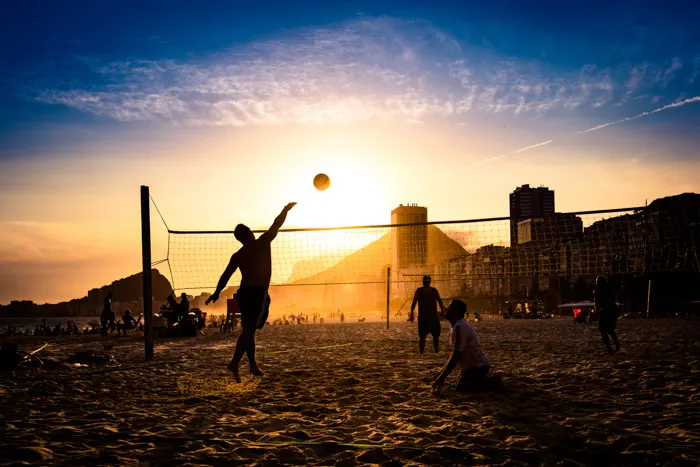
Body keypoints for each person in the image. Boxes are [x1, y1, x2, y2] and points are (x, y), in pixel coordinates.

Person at [206, 202, 296, 382]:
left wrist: (216, 293)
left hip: (244, 294)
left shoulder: (239, 254)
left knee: (249, 331)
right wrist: (285, 210)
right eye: (248, 230)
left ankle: (253, 365)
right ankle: (234, 362)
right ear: (247, 234)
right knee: (248, 332)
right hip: (257, 294)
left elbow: (225, 276)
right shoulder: (262, 242)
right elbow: (276, 225)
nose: (251, 232)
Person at [432, 299, 494, 395]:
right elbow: (453, 354)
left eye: (450, 308)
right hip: (470, 367)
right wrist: (441, 373)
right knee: (461, 386)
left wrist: (442, 377)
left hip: (478, 366)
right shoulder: (456, 326)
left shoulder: (460, 327)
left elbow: (456, 355)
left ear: (457, 312)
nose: (446, 309)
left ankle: (492, 382)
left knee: (462, 389)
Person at [409, 275, 445, 354]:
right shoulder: (429, 291)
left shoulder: (422, 291)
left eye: (425, 281)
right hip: (428, 318)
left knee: (428, 337)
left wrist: (411, 313)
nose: (425, 282)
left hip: (427, 317)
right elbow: (440, 301)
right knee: (430, 337)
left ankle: (424, 352)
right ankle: (434, 351)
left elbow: (414, 303)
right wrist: (442, 311)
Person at [594, 276, 621, 356]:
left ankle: (609, 349)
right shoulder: (610, 290)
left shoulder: (597, 291)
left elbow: (597, 304)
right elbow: (614, 301)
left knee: (603, 331)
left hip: (604, 312)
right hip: (613, 312)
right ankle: (617, 343)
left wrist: (596, 313)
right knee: (610, 330)